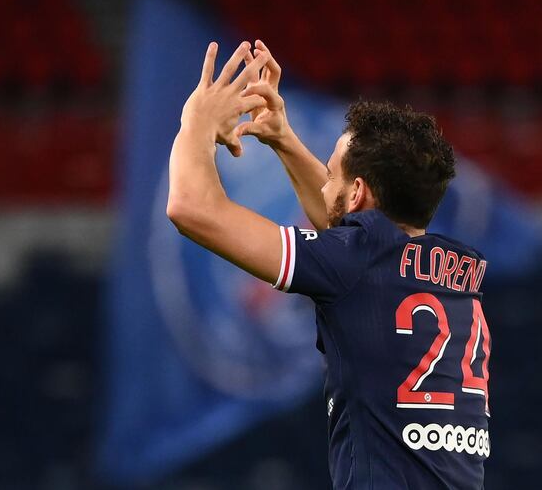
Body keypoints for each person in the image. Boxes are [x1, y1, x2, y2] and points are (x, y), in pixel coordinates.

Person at [167, 40, 492, 489]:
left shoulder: (357, 260)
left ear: (358, 192)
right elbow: (350, 226)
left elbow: (191, 209)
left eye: (332, 171)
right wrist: (282, 138)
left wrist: (194, 123)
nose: (323, 187)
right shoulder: (455, 269)